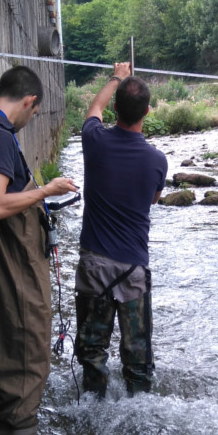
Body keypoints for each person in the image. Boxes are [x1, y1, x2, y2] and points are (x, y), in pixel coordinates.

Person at [0, 65, 78, 435]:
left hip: (7, 261)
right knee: (24, 348)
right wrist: (46, 191)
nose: (33, 117)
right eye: (35, 111)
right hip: (8, 264)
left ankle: (3, 434)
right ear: (29, 101)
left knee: (18, 346)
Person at [74, 62, 168, 398]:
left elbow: (94, 107)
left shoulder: (94, 140)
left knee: (92, 353)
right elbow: (153, 199)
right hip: (133, 272)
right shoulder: (158, 161)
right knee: (139, 358)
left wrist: (116, 75)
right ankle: (140, 405)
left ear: (116, 108)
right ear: (147, 112)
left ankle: (92, 406)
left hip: (94, 268)